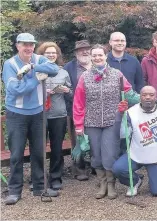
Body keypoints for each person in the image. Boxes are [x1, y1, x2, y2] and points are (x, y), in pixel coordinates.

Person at [73, 44, 140, 199]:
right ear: (90, 57)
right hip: (91, 121)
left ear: (105, 56)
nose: (97, 58)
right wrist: (78, 124)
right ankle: (102, 182)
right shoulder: (85, 77)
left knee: (109, 153)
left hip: (112, 121)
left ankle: (111, 184)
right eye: (94, 55)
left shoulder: (117, 74)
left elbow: (129, 93)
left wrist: (143, 99)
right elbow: (78, 102)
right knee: (96, 154)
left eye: (100, 55)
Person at [3, 33, 60, 205]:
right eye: (24, 45)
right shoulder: (10, 64)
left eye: (31, 45)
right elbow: (16, 89)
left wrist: (34, 67)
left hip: (38, 113)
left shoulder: (38, 59)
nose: (28, 48)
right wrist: (36, 78)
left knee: (39, 152)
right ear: (17, 46)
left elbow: (54, 69)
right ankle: (14, 191)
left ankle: (39, 187)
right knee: (16, 154)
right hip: (16, 114)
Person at [112, 86, 157, 197]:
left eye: (151, 95)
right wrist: (120, 115)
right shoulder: (131, 113)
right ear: (140, 97)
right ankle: (135, 181)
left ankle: (156, 176)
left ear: (156, 97)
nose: (148, 97)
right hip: (137, 154)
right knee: (118, 169)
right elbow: (123, 135)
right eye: (144, 95)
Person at [37, 42, 72, 190]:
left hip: (58, 114)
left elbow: (71, 93)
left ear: (57, 55)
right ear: (41, 55)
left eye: (54, 53)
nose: (51, 55)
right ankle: (38, 178)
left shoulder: (63, 72)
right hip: (39, 114)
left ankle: (56, 177)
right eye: (47, 53)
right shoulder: (36, 71)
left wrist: (65, 90)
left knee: (57, 148)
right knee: (38, 147)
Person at [64, 40, 93, 181]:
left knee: (95, 139)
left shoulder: (98, 64)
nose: (85, 52)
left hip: (96, 110)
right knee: (77, 140)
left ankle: (94, 166)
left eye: (87, 49)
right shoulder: (68, 68)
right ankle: (80, 169)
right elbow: (64, 89)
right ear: (76, 53)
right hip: (75, 110)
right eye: (81, 50)